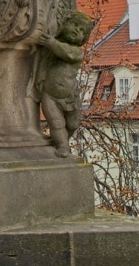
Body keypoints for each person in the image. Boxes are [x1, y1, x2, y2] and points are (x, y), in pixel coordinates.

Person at [31, 10, 93, 157]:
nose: (77, 30)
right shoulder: (52, 49)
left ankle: (62, 140)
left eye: (81, 30)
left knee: (72, 124)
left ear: (83, 38)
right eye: (74, 25)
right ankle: (62, 146)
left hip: (70, 96)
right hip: (50, 95)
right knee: (56, 123)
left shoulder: (76, 52)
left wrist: (51, 43)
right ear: (64, 24)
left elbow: (67, 53)